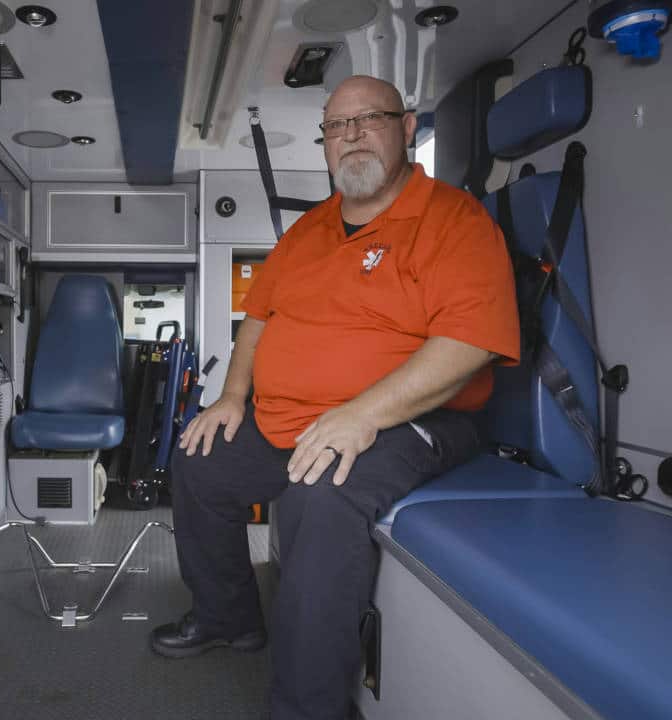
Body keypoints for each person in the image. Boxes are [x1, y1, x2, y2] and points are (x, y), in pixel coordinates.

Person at [150, 75, 521, 719]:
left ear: (406, 128)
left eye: (369, 119)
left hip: (410, 419)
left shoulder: (453, 220)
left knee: (319, 496)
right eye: (337, 126)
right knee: (200, 459)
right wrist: (233, 397)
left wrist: (360, 415)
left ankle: (307, 706)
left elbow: (468, 346)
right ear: (324, 143)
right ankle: (228, 617)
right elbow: (258, 321)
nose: (351, 136)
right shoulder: (306, 233)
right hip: (293, 421)